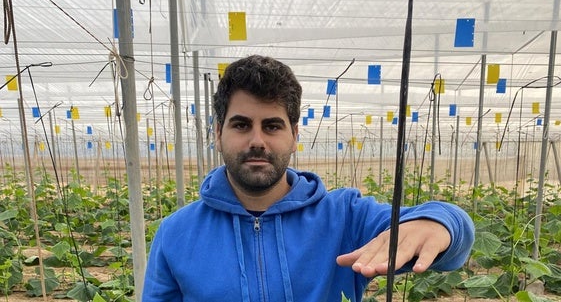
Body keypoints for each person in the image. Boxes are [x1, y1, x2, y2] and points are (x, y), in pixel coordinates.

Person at [142, 55, 474, 302]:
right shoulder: (176, 233)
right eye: (241, 125)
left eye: (272, 126)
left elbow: (455, 241)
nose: (257, 140)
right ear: (217, 133)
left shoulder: (344, 218)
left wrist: (437, 224)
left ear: (294, 135)